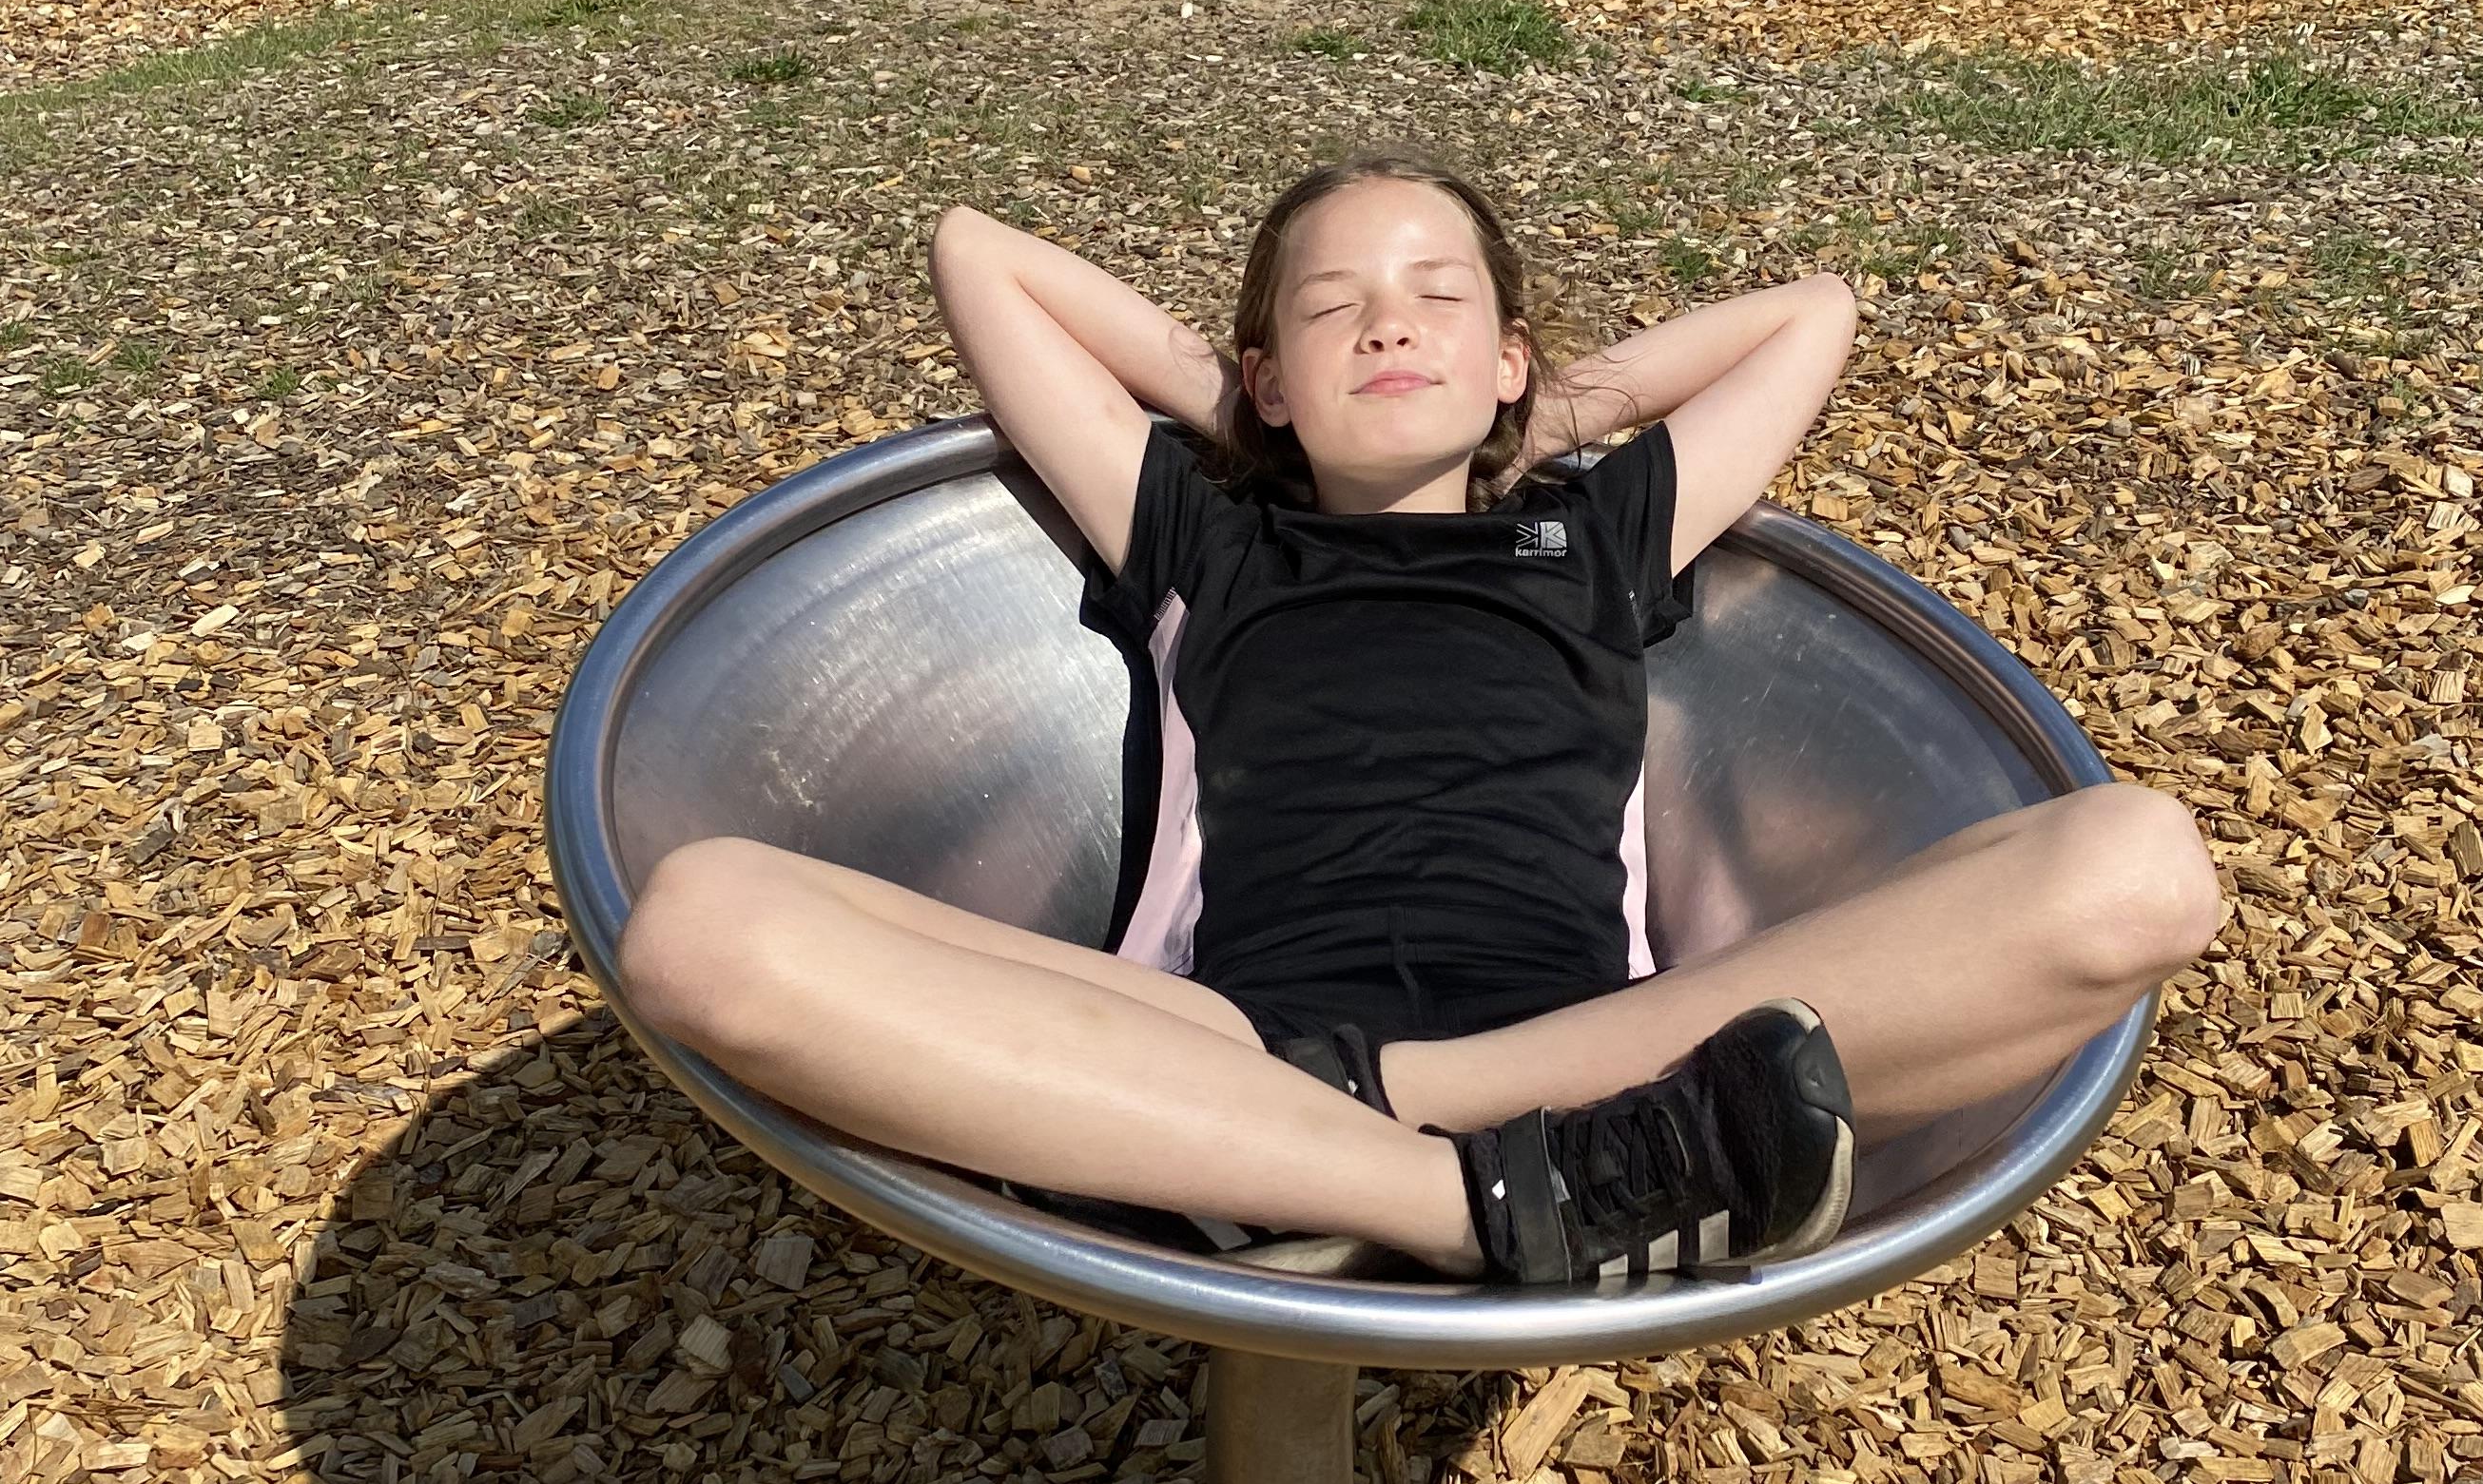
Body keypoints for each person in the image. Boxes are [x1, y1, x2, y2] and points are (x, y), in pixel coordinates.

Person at [619, 156, 2223, 1293]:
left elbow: (1811, 313)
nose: (1388, 326)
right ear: (1264, 378)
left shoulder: (1593, 535)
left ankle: (1390, 1141)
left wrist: (1531, 415)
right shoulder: (1211, 541)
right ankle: (1474, 1201)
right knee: (700, 933)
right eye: (1333, 310)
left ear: (1512, 354)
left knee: (2139, 872)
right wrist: (1248, 412)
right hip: (1232, 1048)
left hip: (1599, 1057)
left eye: (1437, 299)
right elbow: (980, 254)